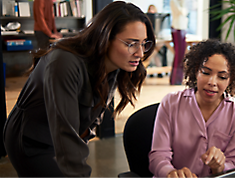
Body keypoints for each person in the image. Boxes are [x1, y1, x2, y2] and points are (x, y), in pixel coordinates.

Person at [3, 1, 155, 177]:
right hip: (32, 140)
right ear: (105, 38)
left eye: (144, 43)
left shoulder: (115, 66)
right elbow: (65, 132)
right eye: (131, 43)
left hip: (61, 136)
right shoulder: (64, 62)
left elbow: (86, 124)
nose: (140, 53)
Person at [149, 39, 235, 178]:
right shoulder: (171, 103)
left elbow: (233, 163)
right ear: (196, 71)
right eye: (206, 72)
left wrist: (220, 167)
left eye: (222, 76)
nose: (212, 82)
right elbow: (158, 156)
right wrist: (171, 173)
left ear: (230, 80)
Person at [170, 0, 188, 85]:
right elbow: (182, 12)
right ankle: (175, 80)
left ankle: (177, 79)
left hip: (181, 28)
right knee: (179, 56)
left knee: (181, 55)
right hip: (177, 28)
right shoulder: (175, 1)